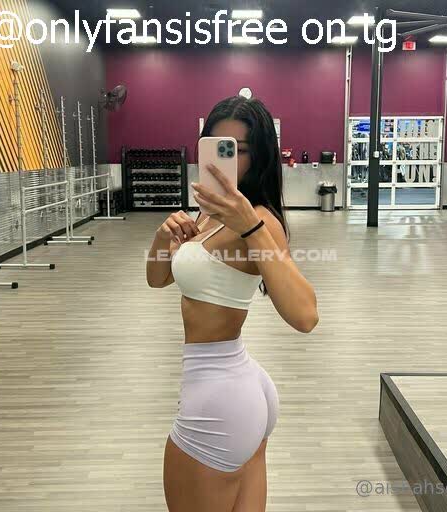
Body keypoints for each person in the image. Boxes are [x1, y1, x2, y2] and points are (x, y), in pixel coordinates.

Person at [146, 96, 319, 511]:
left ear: (258, 156)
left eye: (237, 150)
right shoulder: (207, 213)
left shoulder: (260, 219)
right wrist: (162, 237)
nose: (224, 158)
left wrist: (252, 228)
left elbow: (306, 316)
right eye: (215, 145)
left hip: (219, 398)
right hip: (234, 383)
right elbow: (158, 278)